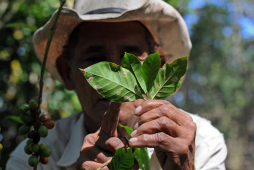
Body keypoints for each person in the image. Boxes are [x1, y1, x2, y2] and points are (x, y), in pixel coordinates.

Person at [6, 0, 227, 169]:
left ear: (158, 68)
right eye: (95, 59)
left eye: (130, 55)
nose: (117, 76)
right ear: (67, 73)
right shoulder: (33, 160)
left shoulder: (203, 142)